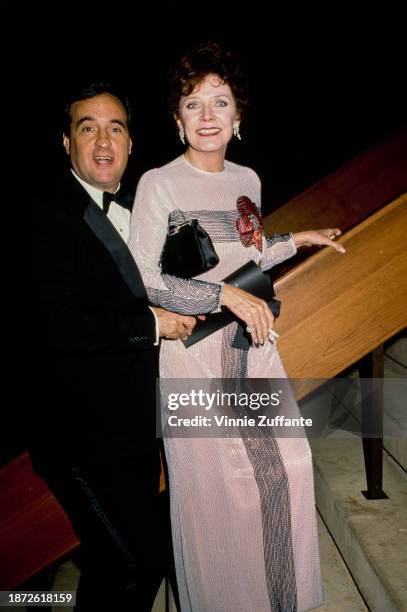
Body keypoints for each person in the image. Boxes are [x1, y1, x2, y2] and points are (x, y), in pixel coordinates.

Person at [128, 43, 347, 612]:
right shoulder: (160, 183)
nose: (207, 116)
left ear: (238, 117)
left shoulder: (246, 177)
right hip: (192, 355)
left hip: (250, 347)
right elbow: (142, 279)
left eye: (219, 102)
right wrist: (219, 293)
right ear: (177, 120)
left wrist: (294, 241)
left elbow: (245, 255)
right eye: (193, 104)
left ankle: (280, 600)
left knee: (291, 469)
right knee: (216, 497)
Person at [27, 81, 197, 611]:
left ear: (130, 143)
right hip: (82, 440)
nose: (103, 141)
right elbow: (57, 327)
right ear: (65, 142)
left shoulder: (146, 208)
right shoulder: (47, 218)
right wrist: (153, 325)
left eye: (115, 128)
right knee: (131, 562)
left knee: (129, 566)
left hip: (136, 431)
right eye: (87, 127)